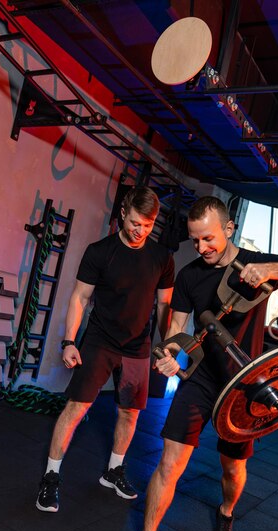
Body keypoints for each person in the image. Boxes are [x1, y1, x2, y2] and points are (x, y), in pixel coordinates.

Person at [125, 195, 278, 531]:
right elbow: (176, 331)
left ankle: (225, 511)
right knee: (170, 463)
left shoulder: (258, 265)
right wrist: (171, 354)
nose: (201, 248)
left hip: (245, 386)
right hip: (201, 381)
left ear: (229, 229)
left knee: (233, 467)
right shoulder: (188, 276)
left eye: (208, 239)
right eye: (195, 240)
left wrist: (273, 269)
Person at [36, 186, 174, 512]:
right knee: (76, 408)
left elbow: (166, 306)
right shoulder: (100, 251)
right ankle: (51, 477)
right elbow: (79, 298)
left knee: (130, 412)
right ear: (124, 214)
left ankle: (114, 470)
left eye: (148, 225)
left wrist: (166, 347)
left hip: (138, 346)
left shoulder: (161, 258)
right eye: (136, 223)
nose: (141, 230)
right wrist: (69, 340)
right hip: (100, 340)